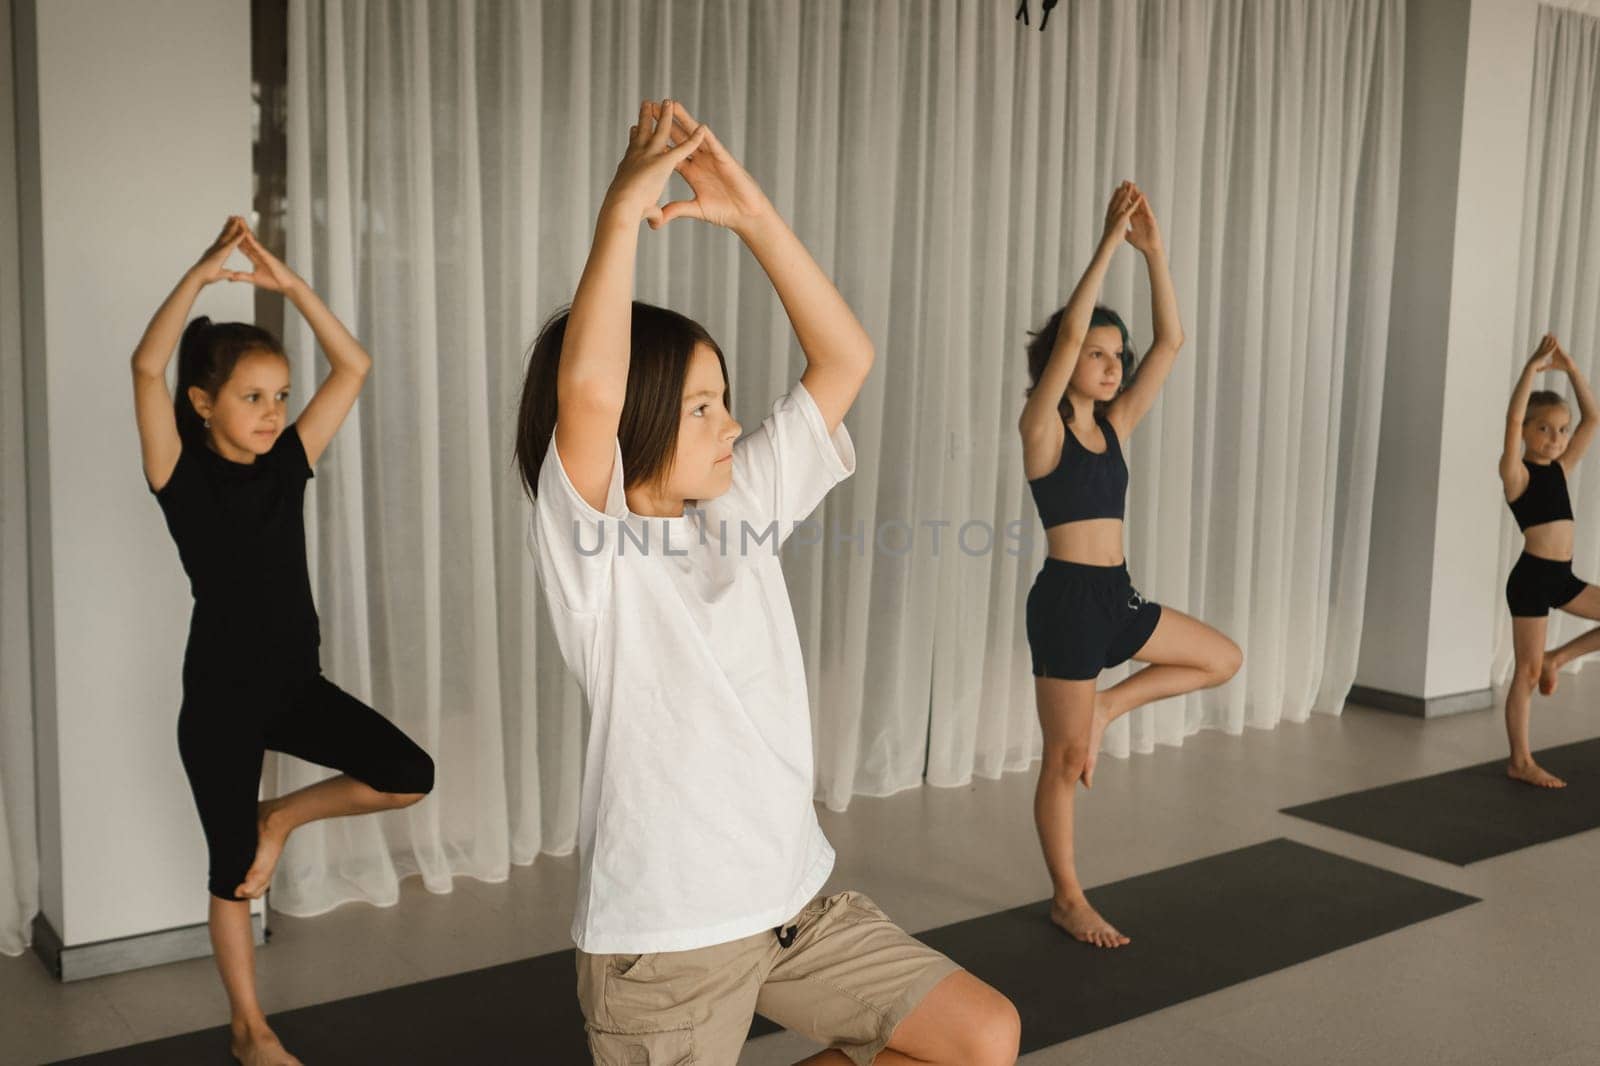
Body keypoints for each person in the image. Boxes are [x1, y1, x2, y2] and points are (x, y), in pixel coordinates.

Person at [517, 100, 1019, 1065]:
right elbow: (588, 393)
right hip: (666, 948)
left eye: (727, 401)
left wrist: (751, 216)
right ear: (641, 424)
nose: (731, 426)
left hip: (791, 906)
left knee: (981, 1036)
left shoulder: (733, 510)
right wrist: (623, 209)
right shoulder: (595, 551)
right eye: (703, 406)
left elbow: (845, 357)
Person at [132, 217, 434, 1066]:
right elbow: (146, 365)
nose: (273, 413)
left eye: (280, 396)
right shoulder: (178, 475)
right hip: (220, 700)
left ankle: (283, 818)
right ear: (203, 404)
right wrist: (201, 272)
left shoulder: (289, 461)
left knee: (409, 774)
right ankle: (249, 1030)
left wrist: (288, 285)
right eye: (252, 396)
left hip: (297, 686)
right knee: (231, 870)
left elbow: (356, 367)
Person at [1018, 181, 1242, 948]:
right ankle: (1068, 897)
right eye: (1096, 354)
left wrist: (1155, 254)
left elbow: (1172, 342)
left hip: (1117, 594)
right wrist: (1109, 241)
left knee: (1222, 659)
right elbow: (1074, 323)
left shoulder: (1116, 426)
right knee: (1065, 759)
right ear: (1062, 360)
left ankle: (1109, 708)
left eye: (1119, 356)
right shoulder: (1042, 428)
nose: (1113, 365)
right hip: (1067, 603)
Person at [1499, 332, 1599, 789]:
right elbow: (1513, 414)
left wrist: (1573, 369)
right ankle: (1520, 760)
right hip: (1532, 579)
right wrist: (1531, 371)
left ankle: (1559, 658)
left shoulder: (1561, 467)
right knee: (1526, 671)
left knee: (1542, 664)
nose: (1557, 439)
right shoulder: (1517, 474)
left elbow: (1593, 418)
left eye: (1561, 430)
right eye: (1544, 429)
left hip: (1561, 577)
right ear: (1525, 433)